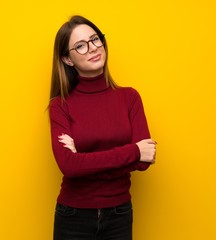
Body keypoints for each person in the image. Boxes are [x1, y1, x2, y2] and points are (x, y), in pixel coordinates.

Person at [48, 15, 156, 240]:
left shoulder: (130, 98)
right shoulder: (60, 105)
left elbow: (146, 161)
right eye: (80, 45)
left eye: (95, 39)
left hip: (119, 214)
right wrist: (133, 152)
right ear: (68, 60)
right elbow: (69, 167)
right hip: (73, 216)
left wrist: (83, 159)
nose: (92, 48)